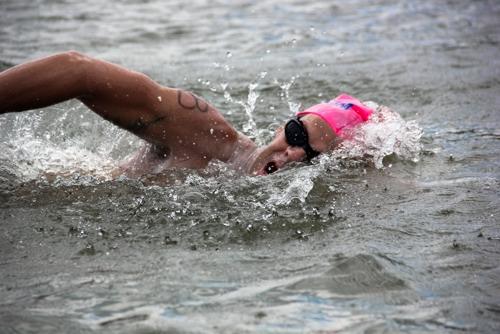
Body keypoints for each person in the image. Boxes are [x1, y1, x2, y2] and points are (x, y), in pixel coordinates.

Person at [0, 51, 373, 177]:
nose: (292, 152)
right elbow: (78, 70)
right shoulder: (204, 133)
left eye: (309, 154)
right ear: (283, 124)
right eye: (294, 134)